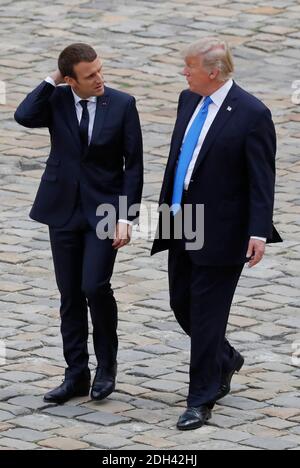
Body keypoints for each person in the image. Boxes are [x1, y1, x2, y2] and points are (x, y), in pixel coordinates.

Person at [151, 37, 282, 430]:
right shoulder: (187, 99)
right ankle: (225, 358)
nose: (183, 72)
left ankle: (201, 398)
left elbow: (263, 179)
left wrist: (258, 231)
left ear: (213, 72)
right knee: (181, 304)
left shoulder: (252, 114)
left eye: (188, 67)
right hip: (179, 221)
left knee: (207, 317)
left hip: (223, 230)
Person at [15, 43, 143, 404]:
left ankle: (106, 368)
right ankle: (76, 374)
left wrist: (126, 216)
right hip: (63, 211)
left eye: (100, 70)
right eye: (89, 75)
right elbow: (23, 116)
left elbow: (133, 165)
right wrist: (53, 78)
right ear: (70, 80)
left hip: (104, 213)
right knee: (69, 294)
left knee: (94, 286)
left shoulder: (121, 104)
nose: (100, 79)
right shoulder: (55, 100)